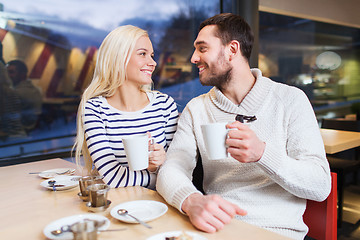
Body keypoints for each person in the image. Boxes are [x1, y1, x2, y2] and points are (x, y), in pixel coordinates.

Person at [156, 13, 331, 240]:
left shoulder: (290, 99)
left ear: (232, 49)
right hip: (217, 230)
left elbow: (320, 186)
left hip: (277, 233)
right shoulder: (196, 109)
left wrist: (263, 154)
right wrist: (191, 201)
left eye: (202, 48)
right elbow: (172, 169)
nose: (193, 58)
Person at [74, 25, 178, 190]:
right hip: (120, 205)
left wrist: (160, 162)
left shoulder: (164, 104)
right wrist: (155, 174)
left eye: (151, 55)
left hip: (161, 205)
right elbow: (112, 178)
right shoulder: (95, 109)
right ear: (118, 58)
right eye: (142, 54)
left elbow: (179, 169)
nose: (153, 62)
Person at [6, 60, 42, 131]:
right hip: (31, 130)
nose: (7, 75)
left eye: (11, 72)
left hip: (18, 133)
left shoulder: (16, 92)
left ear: (22, 75)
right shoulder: (35, 90)